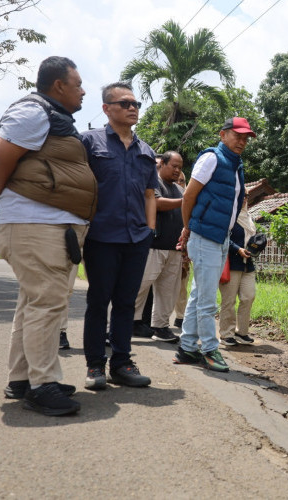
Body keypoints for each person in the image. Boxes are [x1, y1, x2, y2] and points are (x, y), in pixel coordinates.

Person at [0, 56, 96, 415]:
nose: (83, 91)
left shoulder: (53, 117)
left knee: (34, 303)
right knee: (47, 304)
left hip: (48, 228)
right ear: (58, 85)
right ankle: (42, 384)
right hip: (35, 226)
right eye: (78, 84)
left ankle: (22, 379)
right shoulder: (35, 111)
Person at [81, 81, 157, 390]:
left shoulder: (146, 151)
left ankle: (122, 363)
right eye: (124, 103)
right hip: (100, 236)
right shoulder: (89, 142)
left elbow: (150, 194)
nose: (132, 108)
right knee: (99, 301)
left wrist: (150, 231)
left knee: (127, 303)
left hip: (136, 238)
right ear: (106, 108)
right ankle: (95, 366)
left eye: (136, 104)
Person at [173, 117, 254, 372]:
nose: (242, 141)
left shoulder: (236, 165)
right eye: (237, 135)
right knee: (207, 300)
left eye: (245, 138)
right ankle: (209, 349)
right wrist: (189, 227)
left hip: (220, 239)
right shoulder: (212, 158)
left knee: (199, 295)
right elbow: (189, 197)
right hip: (205, 236)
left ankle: (187, 348)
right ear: (222, 135)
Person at [133, 151, 185, 343]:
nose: (178, 171)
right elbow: (156, 203)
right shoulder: (152, 183)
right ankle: (119, 323)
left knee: (168, 291)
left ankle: (161, 327)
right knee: (139, 286)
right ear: (162, 164)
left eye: (180, 167)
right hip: (153, 247)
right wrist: (185, 201)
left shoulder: (179, 190)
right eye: (174, 166)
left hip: (174, 249)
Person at [218, 199, 258, 346]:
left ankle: (242, 332)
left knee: (248, 297)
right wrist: (237, 249)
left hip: (248, 265)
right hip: (231, 264)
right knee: (229, 300)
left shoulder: (248, 217)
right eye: (242, 194)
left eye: (247, 196)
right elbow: (222, 238)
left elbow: (250, 240)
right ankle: (226, 334)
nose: (244, 198)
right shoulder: (228, 215)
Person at [173, 170, 189, 329]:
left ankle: (180, 316)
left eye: (182, 181)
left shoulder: (190, 201)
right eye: (177, 181)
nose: (180, 184)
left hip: (183, 250)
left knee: (182, 285)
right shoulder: (163, 194)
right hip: (161, 247)